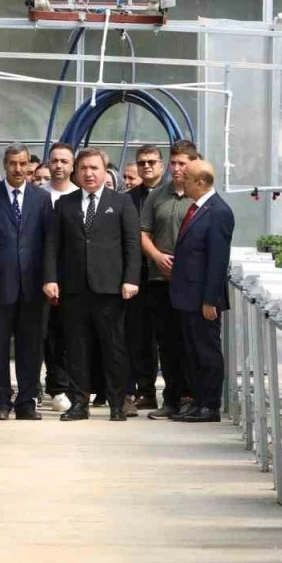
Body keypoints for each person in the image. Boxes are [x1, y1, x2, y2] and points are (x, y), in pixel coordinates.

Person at [43, 147, 141, 421]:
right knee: (76, 347)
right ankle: (79, 403)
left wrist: (131, 279)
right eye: (83, 168)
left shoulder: (121, 202)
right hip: (74, 288)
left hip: (110, 288)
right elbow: (52, 244)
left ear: (104, 171)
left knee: (113, 348)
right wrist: (50, 278)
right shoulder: (65, 204)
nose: (88, 173)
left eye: (94, 168)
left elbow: (132, 244)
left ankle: (117, 403)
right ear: (76, 171)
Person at [0, 143, 52, 421]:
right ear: (5, 164)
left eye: (23, 163)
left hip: (33, 285)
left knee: (31, 347)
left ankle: (27, 401)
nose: (18, 169)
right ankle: (0, 401)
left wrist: (49, 278)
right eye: (13, 163)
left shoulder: (41, 198)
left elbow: (49, 241)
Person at [170, 160, 234, 423]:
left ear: (200, 182)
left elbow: (218, 260)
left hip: (202, 299)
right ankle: (197, 402)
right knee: (192, 352)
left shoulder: (218, 212)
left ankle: (210, 405)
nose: (180, 180)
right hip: (187, 296)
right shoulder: (197, 208)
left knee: (207, 352)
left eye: (186, 177)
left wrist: (210, 300)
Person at [140, 140, 200, 419]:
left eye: (182, 163)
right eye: (173, 163)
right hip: (159, 279)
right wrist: (156, 256)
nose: (177, 168)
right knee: (166, 342)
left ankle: (191, 396)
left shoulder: (198, 195)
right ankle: (171, 398)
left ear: (193, 164)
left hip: (190, 282)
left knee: (188, 340)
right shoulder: (157, 196)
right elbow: (143, 233)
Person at [123, 145, 163, 411]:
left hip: (165, 274)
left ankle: (174, 392)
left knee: (165, 336)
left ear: (161, 165)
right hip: (136, 275)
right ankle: (141, 390)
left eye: (151, 162)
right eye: (141, 163)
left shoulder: (172, 194)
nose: (146, 166)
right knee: (137, 335)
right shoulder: (127, 199)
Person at [40, 143, 79, 411]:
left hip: (72, 277)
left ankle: (69, 386)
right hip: (40, 276)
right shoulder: (38, 195)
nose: (59, 166)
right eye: (55, 160)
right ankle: (54, 386)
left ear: (72, 165)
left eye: (64, 161)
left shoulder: (80, 196)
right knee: (46, 335)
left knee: (69, 334)